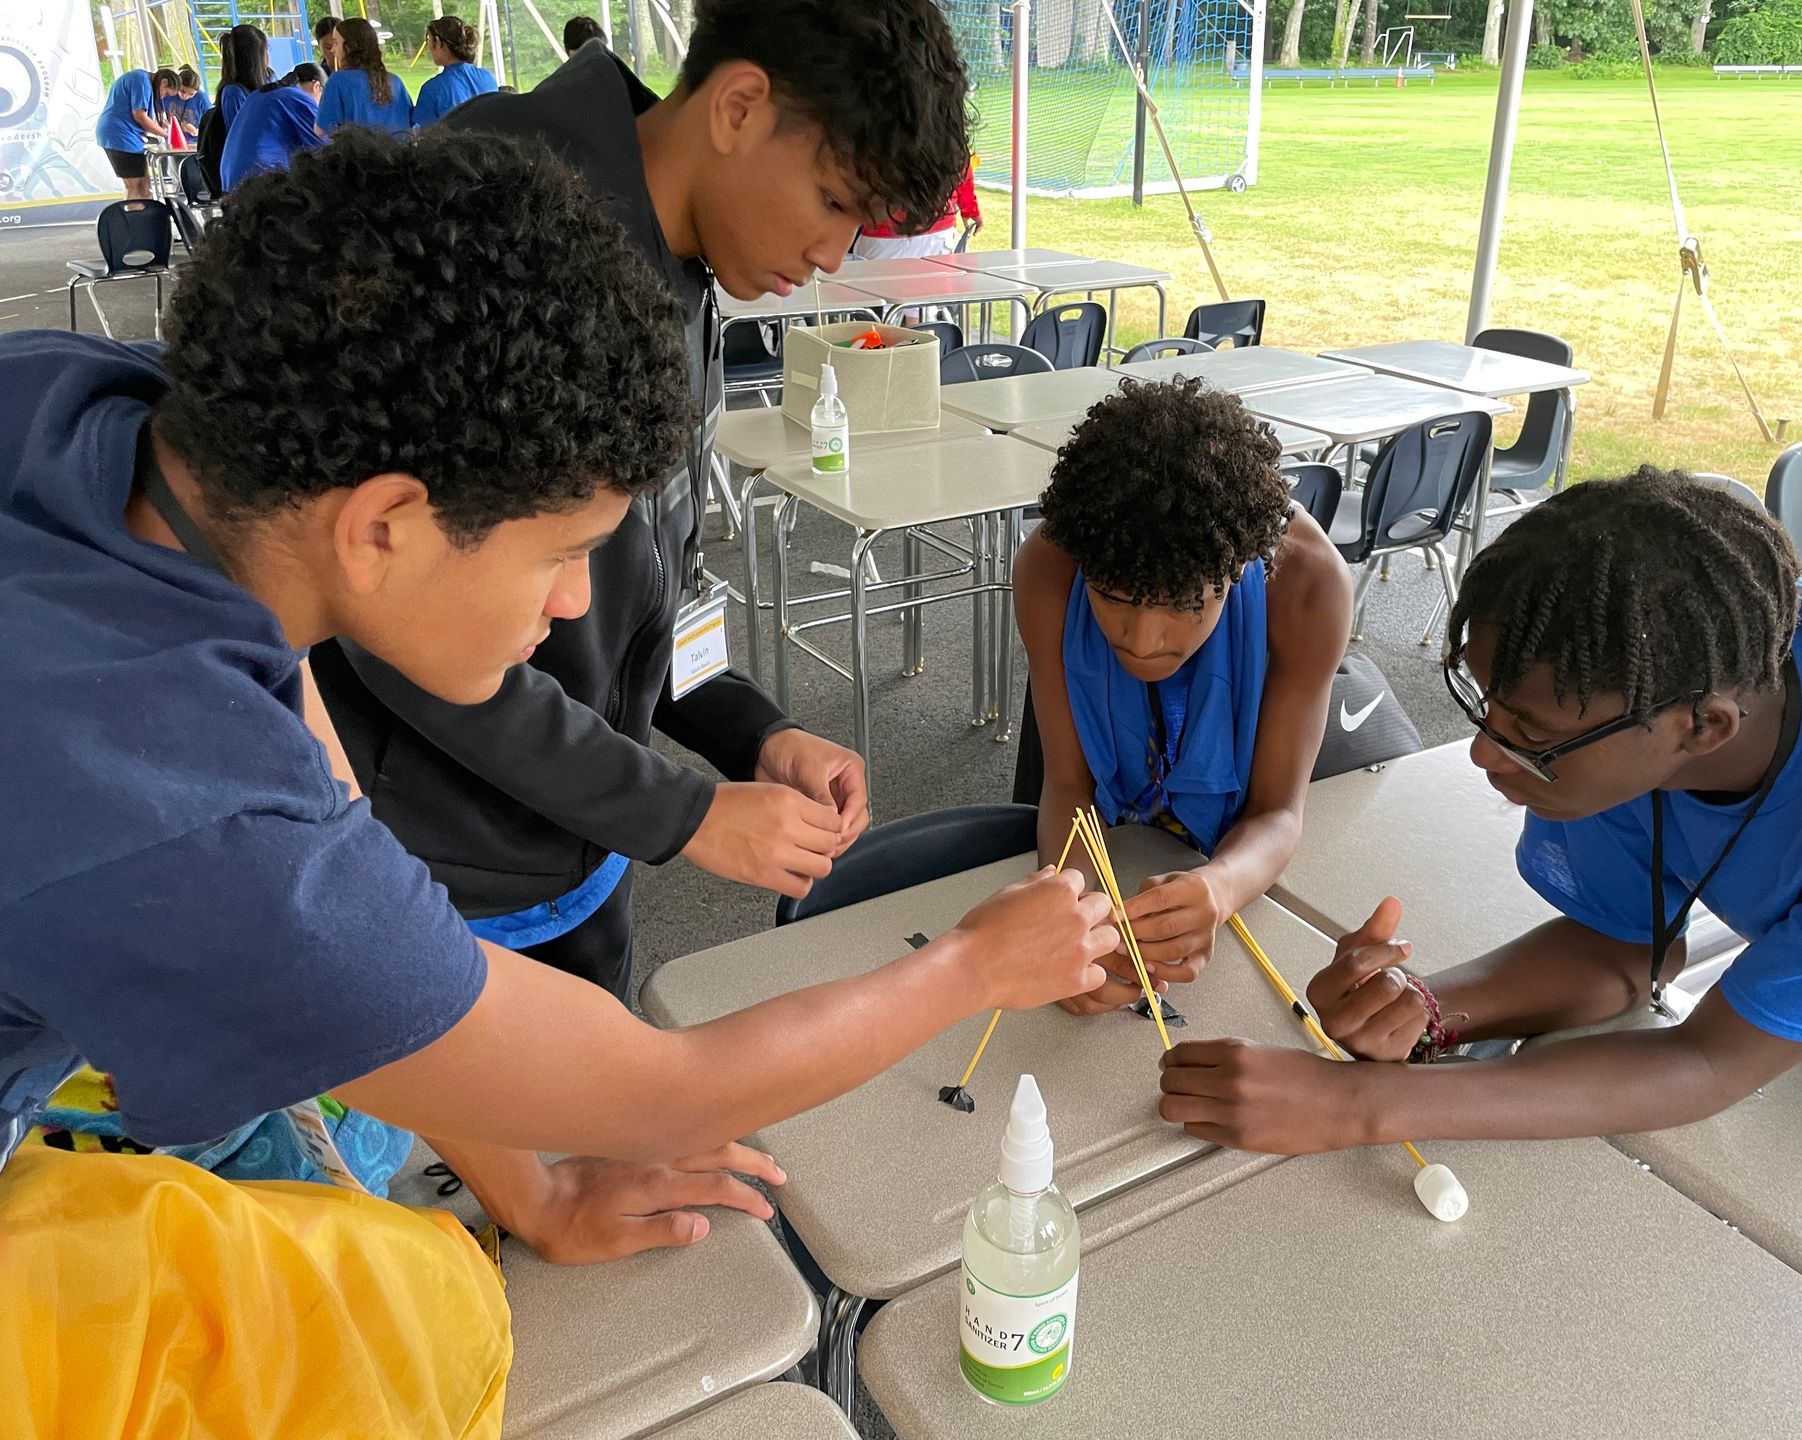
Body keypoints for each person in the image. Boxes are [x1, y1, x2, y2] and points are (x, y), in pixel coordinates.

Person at [0, 127, 1114, 1427]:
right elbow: (667, 1093)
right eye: (561, 555)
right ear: (382, 527)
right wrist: (973, 967)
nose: (577, 602)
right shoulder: (195, 821)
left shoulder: (102, 410)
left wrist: (529, 1190)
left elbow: (318, 770)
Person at [309, 0, 974, 1001]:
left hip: (585, 833)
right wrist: (682, 811)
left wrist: (750, 732)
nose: (836, 257)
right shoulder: (482, 227)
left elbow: (667, 571)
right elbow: (399, 618)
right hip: (436, 855)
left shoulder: (684, 257)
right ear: (741, 105)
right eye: (835, 202)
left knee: (603, 1131)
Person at [1157, 468, 1802, 1154]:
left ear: (1704, 727)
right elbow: (1622, 949)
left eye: (1530, 734)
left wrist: (1359, 1104)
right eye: (1489, 710)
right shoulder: (1659, 667)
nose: (1485, 753)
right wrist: (1427, 1010)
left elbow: (1711, 1060)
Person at [1014, 377, 1352, 1018]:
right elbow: (1067, 786)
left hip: (1237, 853)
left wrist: (1217, 889)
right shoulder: (1049, 573)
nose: (1140, 640)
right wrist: (1077, 930)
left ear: (1239, 569)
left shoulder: (1308, 589)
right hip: (1124, 834)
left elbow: (1279, 812)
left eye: (1184, 604)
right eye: (1111, 595)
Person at [220, 63, 325, 191]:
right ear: (317, 86)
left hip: (229, 181)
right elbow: (322, 147)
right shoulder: (295, 97)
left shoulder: (259, 94)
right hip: (259, 182)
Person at [853, 156, 981, 260]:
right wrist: (971, 210)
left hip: (885, 234)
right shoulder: (945, 134)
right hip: (937, 232)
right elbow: (961, 166)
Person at [316, 17, 414, 134]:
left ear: (348, 47)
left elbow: (321, 130)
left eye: (336, 43)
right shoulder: (395, 81)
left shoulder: (338, 81)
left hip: (360, 151)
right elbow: (411, 122)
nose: (333, 50)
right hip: (398, 150)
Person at [95, 65, 177, 199]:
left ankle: (141, 215)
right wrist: (166, 134)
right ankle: (134, 217)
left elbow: (148, 120)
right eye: (166, 93)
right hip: (119, 135)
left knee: (144, 186)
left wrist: (164, 128)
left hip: (125, 135)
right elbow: (140, 116)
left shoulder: (144, 82)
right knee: (135, 186)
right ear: (164, 82)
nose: (163, 97)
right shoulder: (141, 81)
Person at [413, 15, 499, 128]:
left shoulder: (432, 89)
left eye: (429, 41)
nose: (429, 49)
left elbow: (426, 135)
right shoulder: (488, 77)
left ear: (438, 42)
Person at [215, 23, 270, 131]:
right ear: (254, 59)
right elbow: (241, 134)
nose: (268, 55)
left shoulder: (268, 80)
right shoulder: (234, 93)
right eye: (266, 50)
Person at [164, 65, 212, 138]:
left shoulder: (202, 98)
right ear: (177, 85)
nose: (185, 96)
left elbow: (211, 125)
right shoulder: (169, 93)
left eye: (191, 94)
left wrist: (196, 131)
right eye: (182, 91)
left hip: (195, 142)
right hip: (171, 138)